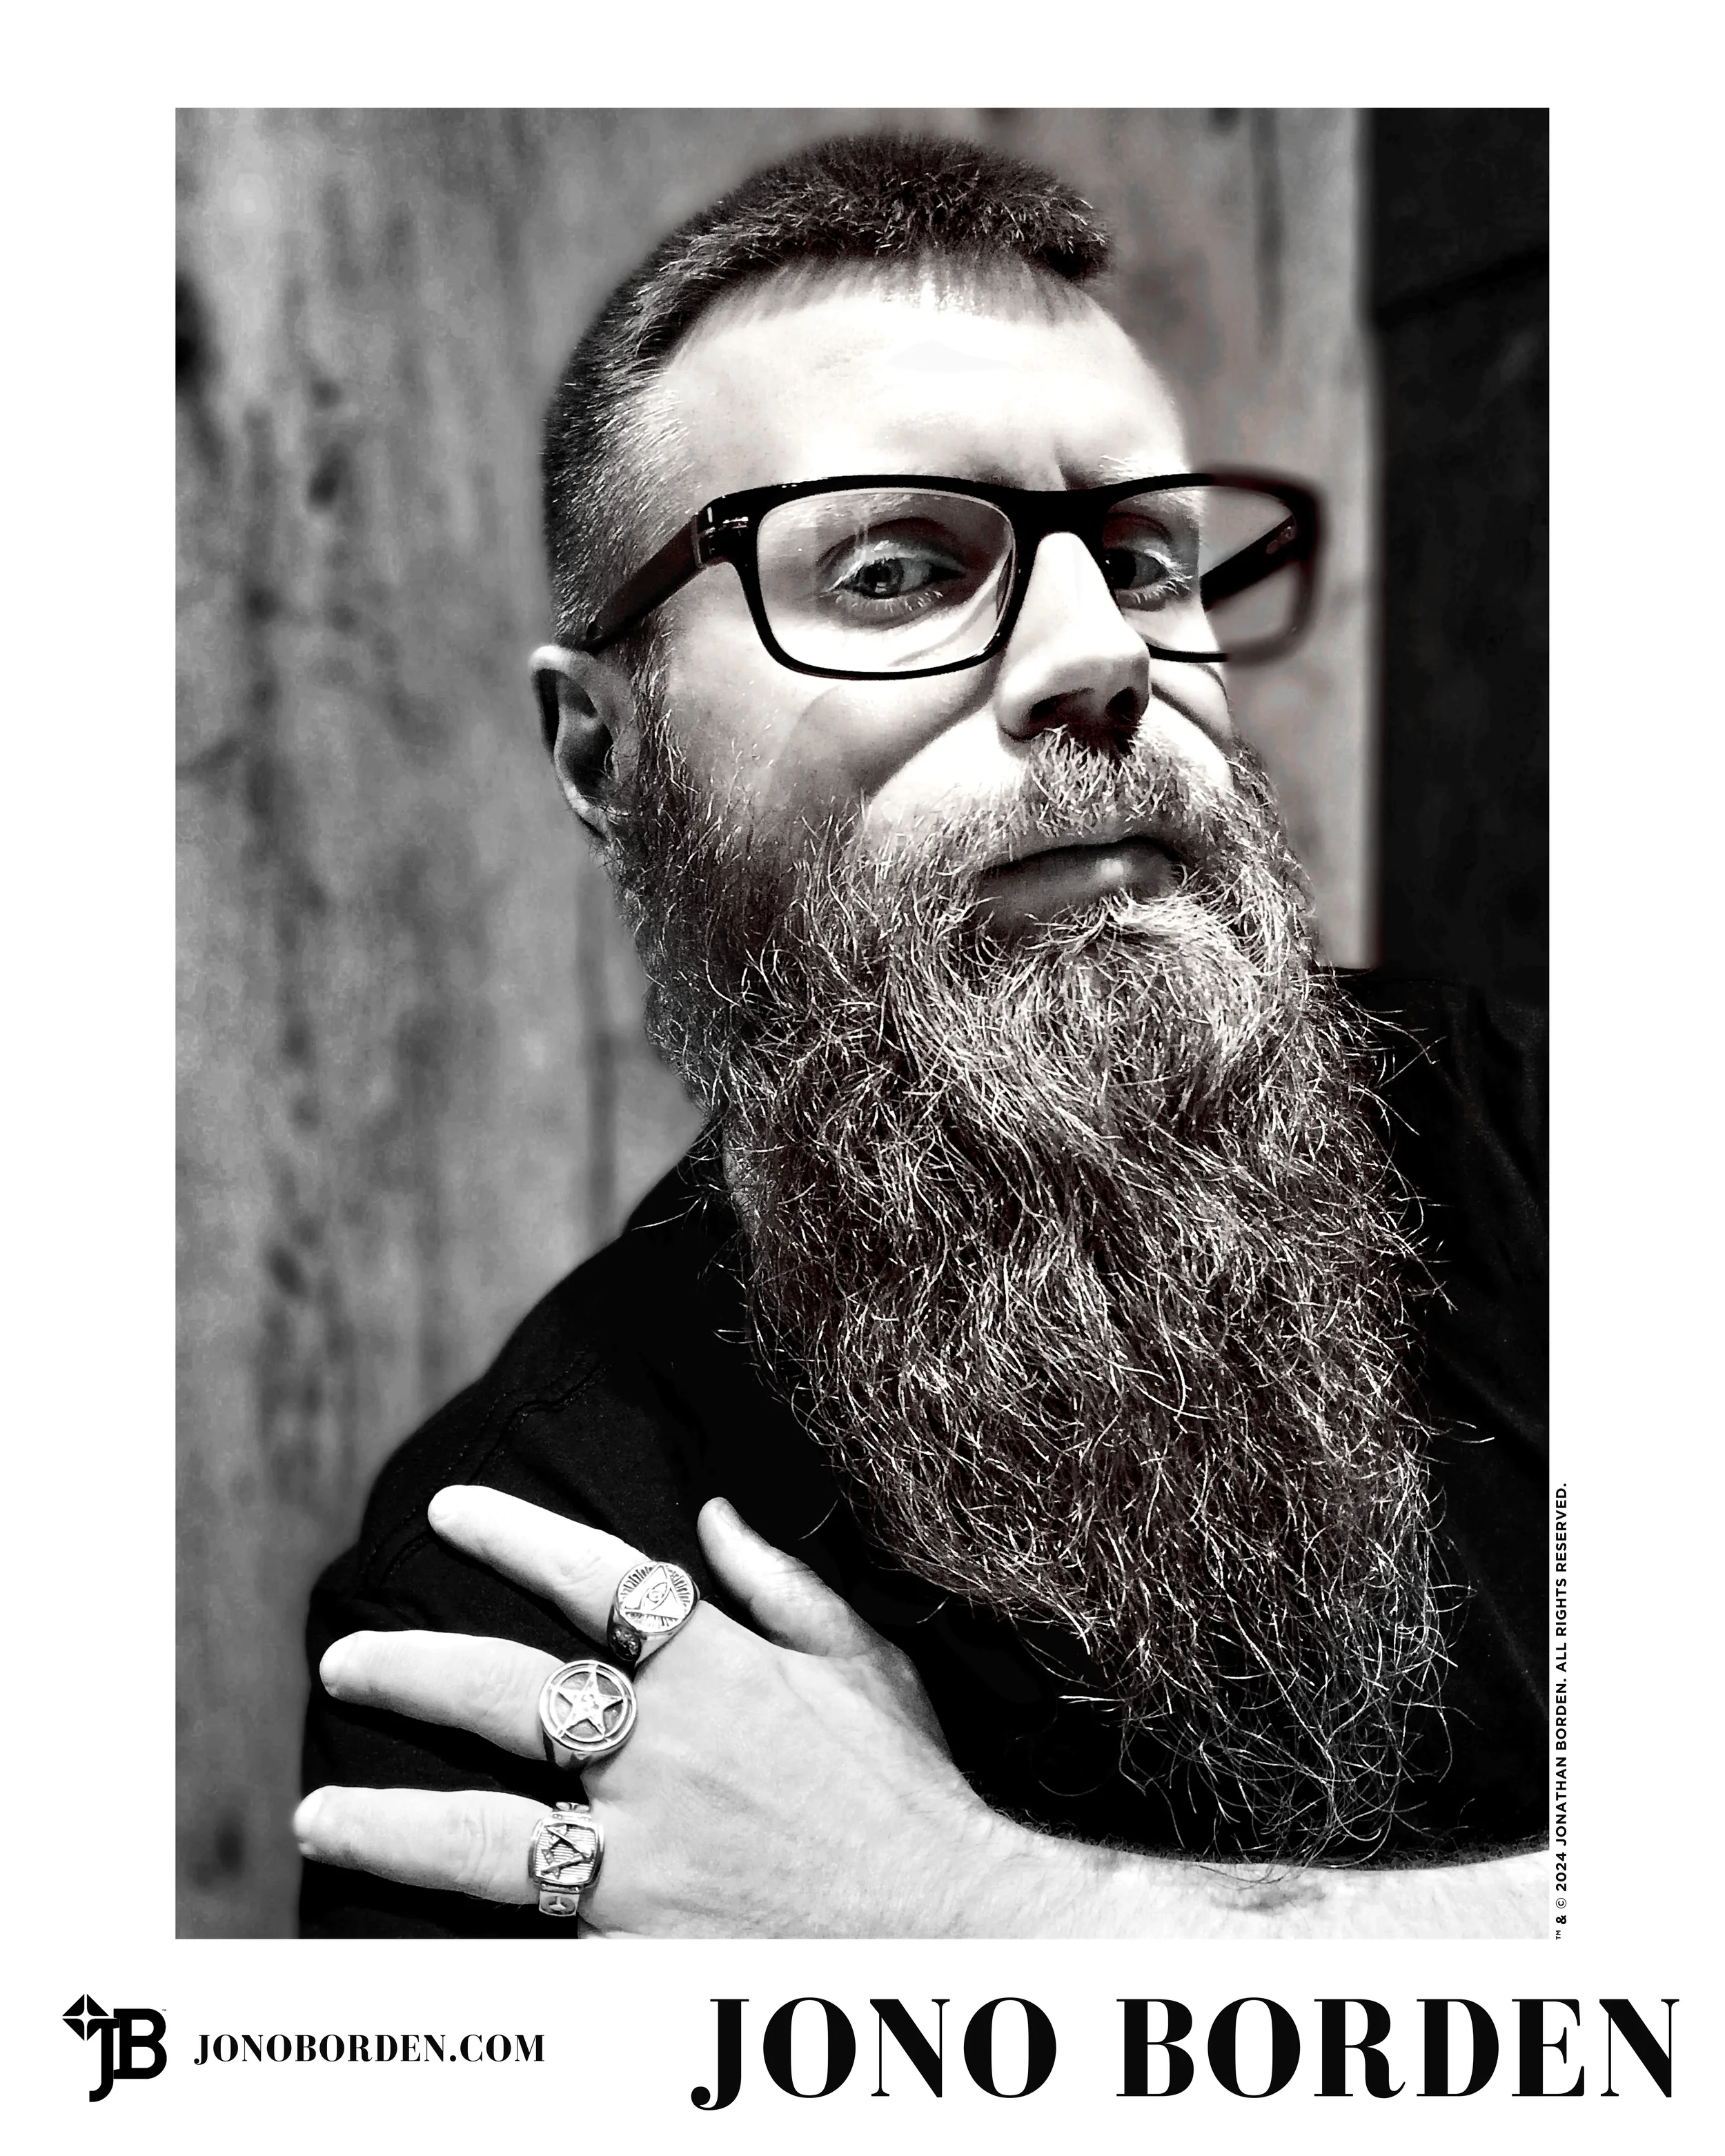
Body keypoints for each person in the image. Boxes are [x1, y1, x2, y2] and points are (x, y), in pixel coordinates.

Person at [294, 135, 1546, 1938]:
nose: (1097, 653)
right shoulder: (532, 1587)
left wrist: (986, 1927)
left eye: (1140, 553)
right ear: (603, 751)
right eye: (893, 570)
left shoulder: (1542, 1139)